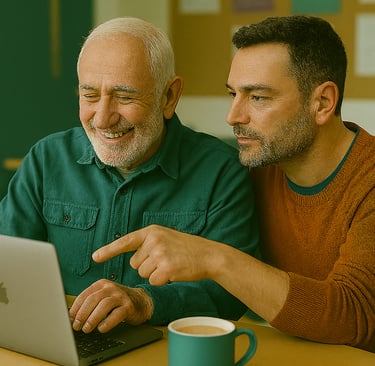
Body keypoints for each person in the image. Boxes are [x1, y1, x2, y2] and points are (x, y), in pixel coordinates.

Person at [91, 16, 375, 352]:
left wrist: (215, 258)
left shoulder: (367, 181)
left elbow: (352, 317)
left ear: (323, 103)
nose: (233, 116)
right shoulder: (256, 170)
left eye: (258, 97)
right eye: (233, 94)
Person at [0, 17, 259, 333]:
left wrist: (145, 301)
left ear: (169, 97)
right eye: (90, 95)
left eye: (124, 97)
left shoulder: (223, 172)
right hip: (59, 343)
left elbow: (230, 295)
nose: (103, 118)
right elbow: (7, 267)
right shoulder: (46, 159)